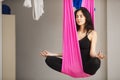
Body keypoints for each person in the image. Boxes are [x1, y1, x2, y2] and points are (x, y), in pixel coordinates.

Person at [40, 7, 104, 75]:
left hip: (86, 66)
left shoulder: (92, 33)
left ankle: (81, 71)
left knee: (96, 61)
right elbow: (69, 53)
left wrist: (97, 56)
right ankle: (72, 70)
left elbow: (92, 52)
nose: (78, 18)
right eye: (77, 16)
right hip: (74, 65)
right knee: (49, 59)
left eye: (81, 16)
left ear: (86, 17)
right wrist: (52, 54)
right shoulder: (73, 33)